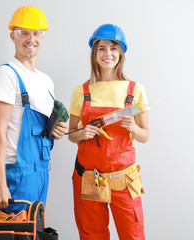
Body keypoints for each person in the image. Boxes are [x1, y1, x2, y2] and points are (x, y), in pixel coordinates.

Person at [68, 24, 150, 240]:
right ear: (94, 53)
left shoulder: (135, 90)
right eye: (101, 48)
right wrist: (82, 133)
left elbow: (145, 136)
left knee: (132, 234)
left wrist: (133, 128)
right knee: (91, 235)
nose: (108, 54)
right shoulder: (82, 91)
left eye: (113, 48)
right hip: (88, 178)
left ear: (121, 53)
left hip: (123, 180)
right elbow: (71, 135)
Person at [0, 6, 68, 214]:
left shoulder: (45, 81)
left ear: (43, 36)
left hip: (41, 172)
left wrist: (57, 131)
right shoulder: (6, 75)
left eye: (36, 33)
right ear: (13, 36)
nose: (30, 39)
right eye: (24, 33)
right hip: (15, 175)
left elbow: (42, 130)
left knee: (34, 233)